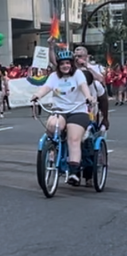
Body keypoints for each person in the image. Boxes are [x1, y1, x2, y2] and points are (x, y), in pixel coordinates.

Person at [31, 50, 96, 186]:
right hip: (59, 110)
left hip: (77, 111)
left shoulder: (78, 75)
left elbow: (83, 86)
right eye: (62, 64)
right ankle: (52, 150)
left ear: (72, 64)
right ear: (58, 65)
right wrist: (37, 95)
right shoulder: (54, 76)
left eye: (68, 63)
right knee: (52, 126)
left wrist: (88, 97)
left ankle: (73, 171)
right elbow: (46, 88)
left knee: (73, 139)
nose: (65, 66)